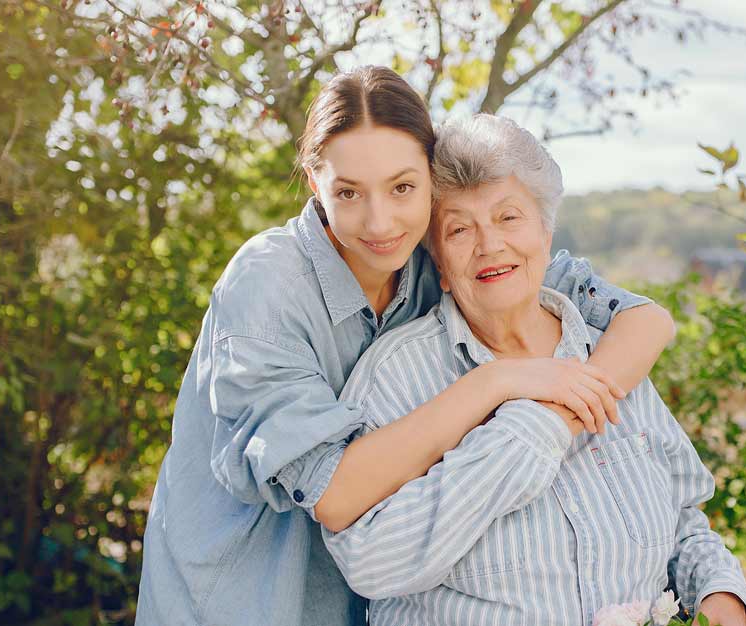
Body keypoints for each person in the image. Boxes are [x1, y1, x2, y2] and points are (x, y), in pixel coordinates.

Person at [135, 67, 677, 625]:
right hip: (237, 600)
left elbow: (644, 320)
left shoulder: (440, 255)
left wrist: (567, 413)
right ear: (313, 180)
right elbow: (335, 494)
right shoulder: (267, 287)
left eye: (402, 187)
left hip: (356, 602)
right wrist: (497, 382)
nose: (380, 220)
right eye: (348, 192)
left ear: (429, 177)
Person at [323, 114, 746, 626]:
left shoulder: (609, 355)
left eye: (509, 218)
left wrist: (723, 600)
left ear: (546, 235)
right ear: (438, 262)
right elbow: (370, 563)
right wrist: (538, 424)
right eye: (460, 229)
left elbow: (685, 522)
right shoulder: (396, 378)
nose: (490, 245)